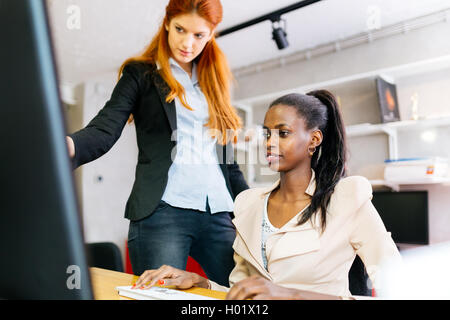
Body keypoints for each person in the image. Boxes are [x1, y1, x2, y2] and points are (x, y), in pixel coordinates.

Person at [132, 90, 402, 299]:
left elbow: (398, 286)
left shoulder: (347, 197)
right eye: (266, 134)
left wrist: (290, 295)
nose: (270, 143)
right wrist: (201, 282)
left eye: (283, 133)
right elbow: (240, 291)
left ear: (314, 140)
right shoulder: (249, 204)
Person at [66, 0, 248, 286]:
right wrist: (68, 146)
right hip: (164, 211)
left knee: (243, 293)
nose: (187, 43)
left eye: (199, 35)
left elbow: (227, 162)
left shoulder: (214, 84)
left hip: (219, 212)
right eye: (180, 29)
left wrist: (251, 209)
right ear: (167, 23)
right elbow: (105, 127)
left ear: (211, 34)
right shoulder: (141, 74)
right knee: (160, 295)